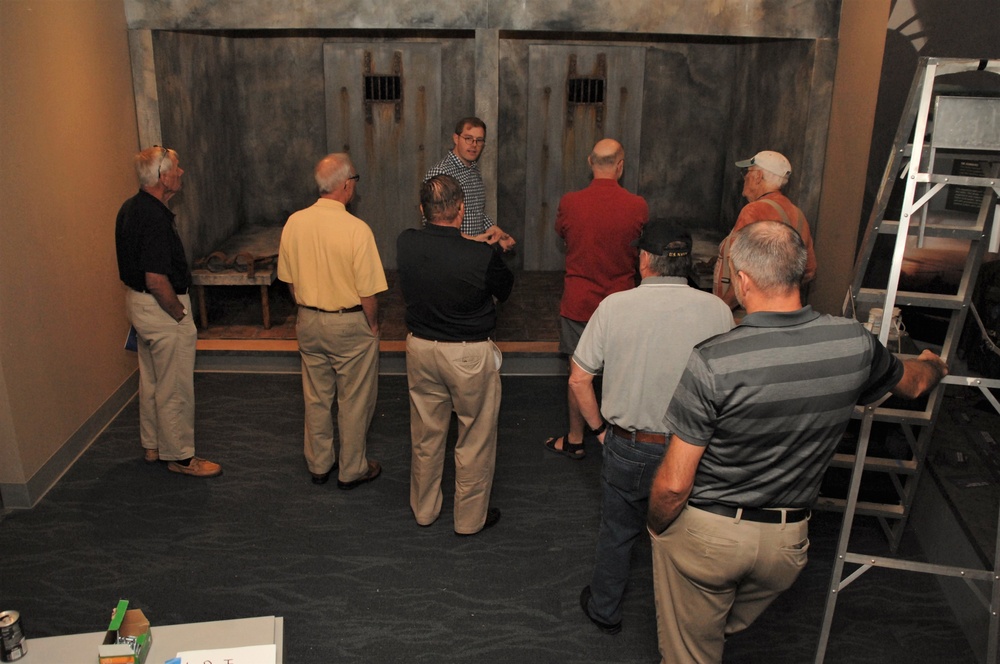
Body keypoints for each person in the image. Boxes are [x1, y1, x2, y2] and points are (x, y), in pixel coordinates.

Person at [647, 221, 948, 664]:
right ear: (801, 273)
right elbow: (915, 384)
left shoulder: (715, 360)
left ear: (743, 280)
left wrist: (656, 528)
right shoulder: (853, 344)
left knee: (691, 649)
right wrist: (933, 364)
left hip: (708, 536)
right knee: (713, 627)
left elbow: (673, 486)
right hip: (786, 547)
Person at [570, 220, 733, 635]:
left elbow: (578, 378)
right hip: (694, 448)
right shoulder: (717, 310)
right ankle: (688, 623)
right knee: (690, 535)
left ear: (644, 260)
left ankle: (605, 608)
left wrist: (598, 431)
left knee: (618, 529)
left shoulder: (614, 306)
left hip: (629, 443)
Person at [397, 174, 514, 536]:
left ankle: (424, 510)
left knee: (426, 436)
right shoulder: (481, 256)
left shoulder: (406, 242)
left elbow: (442, 247)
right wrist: (489, 247)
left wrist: (474, 244)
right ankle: (468, 520)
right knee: (474, 439)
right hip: (468, 356)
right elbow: (505, 289)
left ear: (422, 211)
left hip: (420, 349)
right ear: (462, 210)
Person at [277, 153, 387, 489]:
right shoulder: (357, 230)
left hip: (309, 321)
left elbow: (289, 280)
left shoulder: (294, 222)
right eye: (354, 178)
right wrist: (372, 325)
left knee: (316, 397)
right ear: (345, 185)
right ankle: (352, 469)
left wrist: (309, 309)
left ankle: (319, 464)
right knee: (354, 400)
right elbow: (369, 292)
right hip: (349, 324)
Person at [115, 146, 222, 478]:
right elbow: (156, 279)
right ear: (162, 176)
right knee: (174, 386)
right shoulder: (155, 218)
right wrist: (180, 315)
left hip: (138, 306)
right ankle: (180, 456)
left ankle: (153, 445)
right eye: (177, 167)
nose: (182, 172)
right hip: (161, 309)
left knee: (151, 380)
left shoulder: (129, 208)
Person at [544, 138, 649, 460]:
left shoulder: (570, 202)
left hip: (580, 302)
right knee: (622, 373)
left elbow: (564, 234)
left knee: (579, 373)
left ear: (591, 162)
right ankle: (620, 437)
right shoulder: (637, 206)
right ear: (620, 165)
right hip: (622, 303)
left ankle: (576, 438)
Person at [713, 150, 817, 310]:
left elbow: (741, 270)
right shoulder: (798, 214)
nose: (745, 177)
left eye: (747, 172)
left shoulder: (753, 211)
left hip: (747, 314)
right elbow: (809, 270)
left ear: (758, 176)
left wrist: (723, 307)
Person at [424, 117, 516, 251]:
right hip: (451, 253)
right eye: (468, 138)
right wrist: (473, 240)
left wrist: (496, 232)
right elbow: (435, 225)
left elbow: (475, 210)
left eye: (479, 140)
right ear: (456, 138)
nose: (474, 144)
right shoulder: (440, 173)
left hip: (474, 253)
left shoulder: (473, 169)